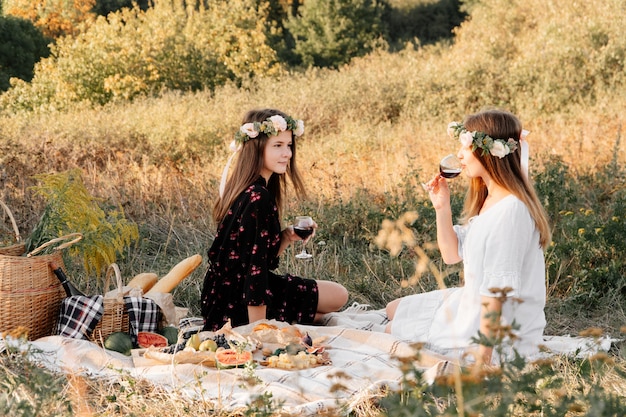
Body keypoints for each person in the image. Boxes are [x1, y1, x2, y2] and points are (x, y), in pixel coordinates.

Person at [385, 109, 551, 366]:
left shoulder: (511, 211)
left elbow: (498, 291)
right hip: (473, 299)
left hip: (499, 324)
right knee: (391, 309)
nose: (459, 155)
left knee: (389, 332)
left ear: (490, 152)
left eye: (466, 146)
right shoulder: (491, 198)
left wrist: (483, 360)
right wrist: (442, 207)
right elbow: (451, 256)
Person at [201, 108, 348, 331]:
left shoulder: (245, 188)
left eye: (289, 145)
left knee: (327, 306)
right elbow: (255, 270)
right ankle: (263, 322)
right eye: (277, 146)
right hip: (239, 301)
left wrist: (288, 236)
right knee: (338, 296)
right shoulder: (259, 197)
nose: (287, 154)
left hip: (220, 297)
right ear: (257, 148)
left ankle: (284, 319)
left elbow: (255, 258)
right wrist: (257, 329)